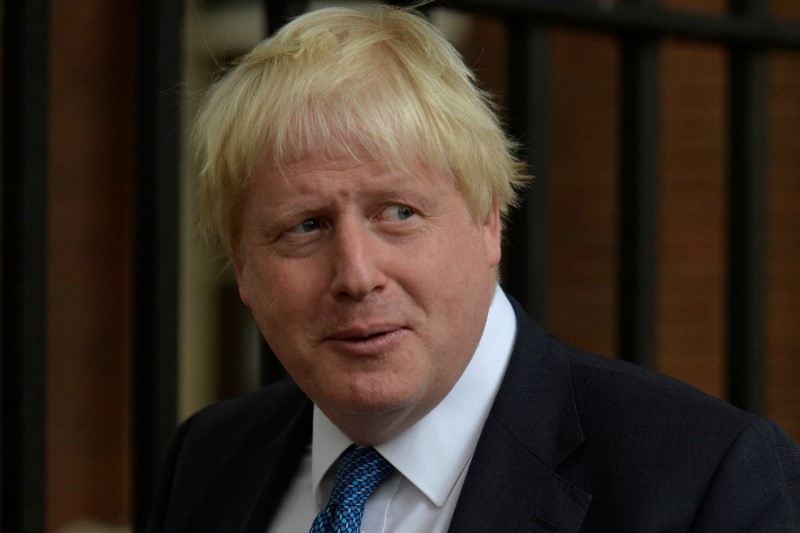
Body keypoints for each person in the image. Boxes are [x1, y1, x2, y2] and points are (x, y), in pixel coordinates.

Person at [147, 4, 799, 532]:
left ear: (489, 220)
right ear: (241, 266)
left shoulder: (704, 479)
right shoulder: (208, 461)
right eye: (305, 226)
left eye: (397, 211)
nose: (356, 273)